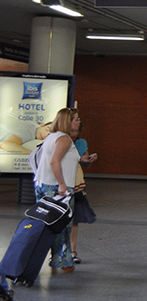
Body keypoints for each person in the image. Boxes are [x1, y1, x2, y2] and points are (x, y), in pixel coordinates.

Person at [33, 107, 95, 273]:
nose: (79, 121)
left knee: (47, 224)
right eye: (76, 118)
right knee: (63, 225)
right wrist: (61, 184)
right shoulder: (64, 139)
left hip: (43, 184)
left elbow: (52, 158)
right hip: (56, 187)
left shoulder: (53, 137)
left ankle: (53, 259)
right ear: (68, 121)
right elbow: (54, 162)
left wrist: (82, 159)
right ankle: (63, 260)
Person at [69, 125, 98, 264]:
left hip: (77, 183)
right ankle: (56, 251)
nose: (74, 134)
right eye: (72, 131)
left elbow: (85, 164)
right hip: (63, 183)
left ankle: (73, 250)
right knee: (59, 220)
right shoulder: (61, 141)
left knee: (75, 219)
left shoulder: (81, 143)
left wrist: (90, 159)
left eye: (77, 131)